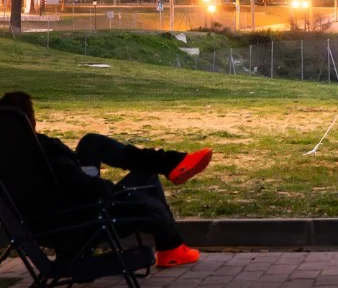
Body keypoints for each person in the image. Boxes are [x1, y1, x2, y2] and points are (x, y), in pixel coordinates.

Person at [0, 91, 211, 267]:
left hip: (51, 219)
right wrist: (117, 191)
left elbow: (67, 183)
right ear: (30, 121)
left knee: (91, 143)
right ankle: (171, 246)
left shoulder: (11, 158)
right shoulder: (44, 151)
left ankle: (171, 164)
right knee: (147, 176)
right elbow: (82, 186)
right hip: (84, 217)